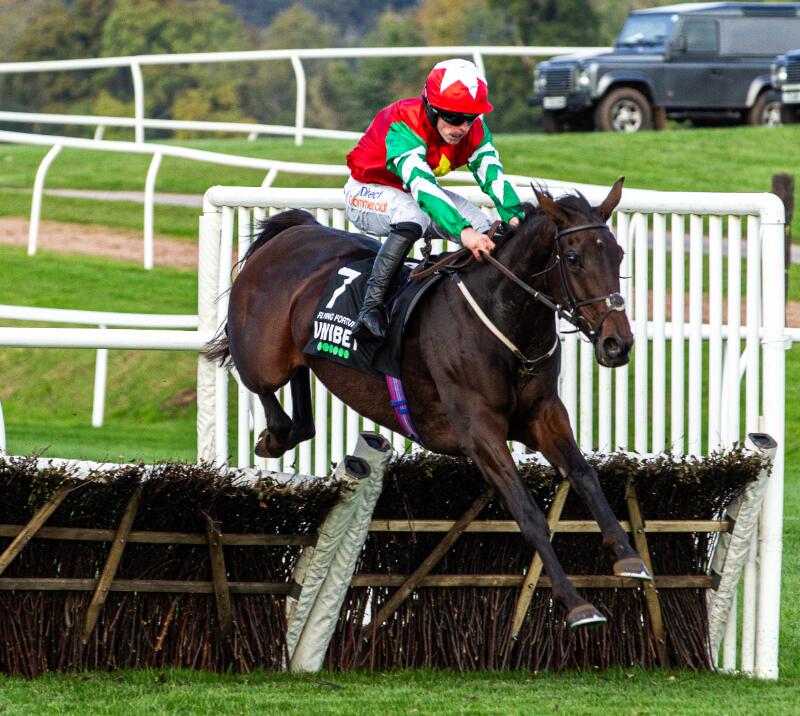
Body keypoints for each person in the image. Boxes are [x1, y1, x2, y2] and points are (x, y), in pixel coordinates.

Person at [344, 58, 525, 340]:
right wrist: (462, 232)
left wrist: (517, 218)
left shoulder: (473, 130)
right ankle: (371, 307)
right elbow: (423, 187)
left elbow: (494, 177)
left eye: (470, 118)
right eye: (454, 118)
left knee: (485, 227)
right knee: (414, 216)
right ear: (431, 108)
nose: (463, 127)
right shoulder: (403, 123)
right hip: (366, 191)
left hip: (411, 194)